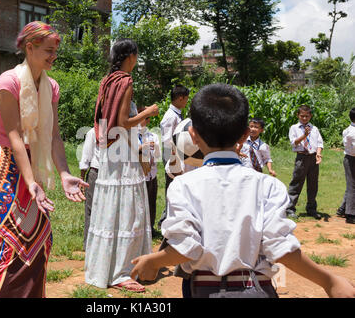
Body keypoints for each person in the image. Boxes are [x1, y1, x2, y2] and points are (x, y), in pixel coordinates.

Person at [129, 84, 355, 298]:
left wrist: (153, 261)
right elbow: (282, 249)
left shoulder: (183, 185)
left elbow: (186, 249)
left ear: (193, 135)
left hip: (203, 288)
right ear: (245, 134)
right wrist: (329, 281)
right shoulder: (269, 185)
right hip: (258, 287)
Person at [0, 21, 88, 298]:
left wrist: (63, 173)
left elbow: (54, 136)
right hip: (2, 160)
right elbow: (13, 135)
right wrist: (30, 181)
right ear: (29, 47)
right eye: (48, 50)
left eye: (55, 51)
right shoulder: (8, 82)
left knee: (38, 235)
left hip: (32, 160)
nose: (53, 56)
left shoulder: (52, 87)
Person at [84, 38, 159, 293]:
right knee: (128, 211)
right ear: (131, 56)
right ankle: (122, 272)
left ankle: (106, 267)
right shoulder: (125, 81)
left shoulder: (107, 81)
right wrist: (148, 112)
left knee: (111, 210)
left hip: (109, 152)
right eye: (136, 55)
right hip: (123, 154)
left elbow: (105, 121)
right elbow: (124, 120)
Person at [158, 85, 190, 229]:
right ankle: (166, 219)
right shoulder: (170, 116)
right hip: (172, 153)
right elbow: (166, 139)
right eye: (186, 99)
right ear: (180, 98)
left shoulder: (177, 114)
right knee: (172, 186)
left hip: (178, 153)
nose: (186, 102)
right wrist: (173, 155)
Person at [285, 105, 324, 220]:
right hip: (301, 158)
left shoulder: (314, 128)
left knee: (313, 184)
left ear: (310, 116)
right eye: (302, 116)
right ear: (298, 115)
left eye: (307, 116)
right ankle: (290, 209)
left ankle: (311, 209)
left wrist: (318, 153)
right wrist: (304, 135)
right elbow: (294, 143)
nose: (304, 118)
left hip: (313, 158)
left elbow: (319, 143)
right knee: (296, 183)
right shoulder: (294, 128)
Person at [137, 107, 161, 235]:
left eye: (147, 119)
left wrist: (155, 147)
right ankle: (140, 229)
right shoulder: (132, 135)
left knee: (151, 201)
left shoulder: (153, 136)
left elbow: (158, 156)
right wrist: (142, 147)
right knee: (140, 204)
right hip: (139, 174)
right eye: (145, 118)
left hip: (151, 173)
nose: (147, 121)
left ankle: (150, 228)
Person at [79, 127, 100, 250]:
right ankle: (88, 244)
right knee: (91, 209)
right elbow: (86, 157)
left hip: (111, 175)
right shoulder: (93, 132)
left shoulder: (117, 131)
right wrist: (82, 179)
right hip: (95, 173)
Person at [337, 108, 355, 225]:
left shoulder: (348, 130)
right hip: (352, 159)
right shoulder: (353, 132)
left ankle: (343, 209)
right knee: (352, 186)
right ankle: (350, 214)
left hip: (349, 158)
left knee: (351, 185)